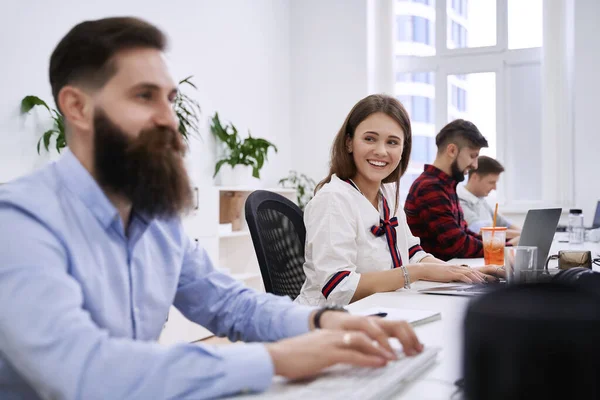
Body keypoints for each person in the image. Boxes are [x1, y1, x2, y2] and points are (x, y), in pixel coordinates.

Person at [0, 17, 425, 400]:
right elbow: (84, 372)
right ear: (77, 107)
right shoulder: (19, 223)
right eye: (145, 96)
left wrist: (323, 324)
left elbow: (231, 304)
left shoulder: (156, 219)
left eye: (170, 98)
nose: (170, 119)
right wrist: (275, 361)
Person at [295, 96, 504, 307]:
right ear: (349, 142)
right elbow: (339, 288)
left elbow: (412, 253)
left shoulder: (387, 194)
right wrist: (417, 273)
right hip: (326, 322)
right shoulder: (333, 200)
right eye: (369, 138)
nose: (381, 151)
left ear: (403, 149)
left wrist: (463, 273)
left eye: (392, 142)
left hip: (378, 310)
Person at [404, 119, 516, 261]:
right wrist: (503, 249)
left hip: (448, 271)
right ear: (452, 150)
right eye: (472, 156)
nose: (475, 165)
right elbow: (457, 244)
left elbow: (464, 234)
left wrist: (504, 246)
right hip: (434, 278)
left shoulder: (446, 186)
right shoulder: (430, 188)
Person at [457, 155, 521, 239]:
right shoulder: (460, 203)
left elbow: (504, 223)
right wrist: (523, 235)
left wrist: (523, 232)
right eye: (491, 182)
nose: (495, 188)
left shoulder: (480, 200)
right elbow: (483, 231)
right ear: (474, 177)